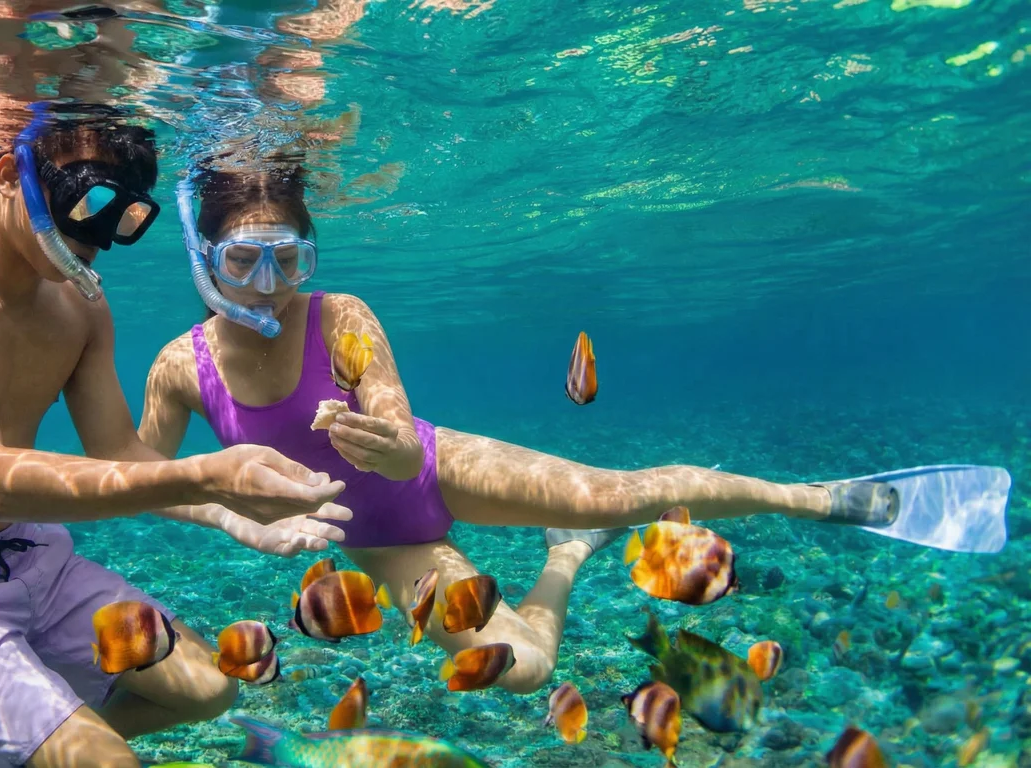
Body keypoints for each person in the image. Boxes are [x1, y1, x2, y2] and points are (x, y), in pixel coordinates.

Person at [136, 157, 906, 696]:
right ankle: (565, 561)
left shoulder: (340, 314)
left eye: (288, 261)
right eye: (243, 262)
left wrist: (394, 450)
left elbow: (402, 438)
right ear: (204, 260)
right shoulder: (179, 368)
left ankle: (822, 497)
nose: (268, 288)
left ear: (310, 257)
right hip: (387, 544)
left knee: (621, 495)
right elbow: (139, 483)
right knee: (527, 667)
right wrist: (227, 513)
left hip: (442, 467)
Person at [0, 106, 353, 768]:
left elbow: (120, 453)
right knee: (104, 761)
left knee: (209, 689)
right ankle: (58, 745)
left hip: (35, 556)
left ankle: (44, 745)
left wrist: (232, 517)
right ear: (10, 175)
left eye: (121, 221)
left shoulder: (81, 304)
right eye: (83, 205)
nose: (94, 240)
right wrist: (209, 474)